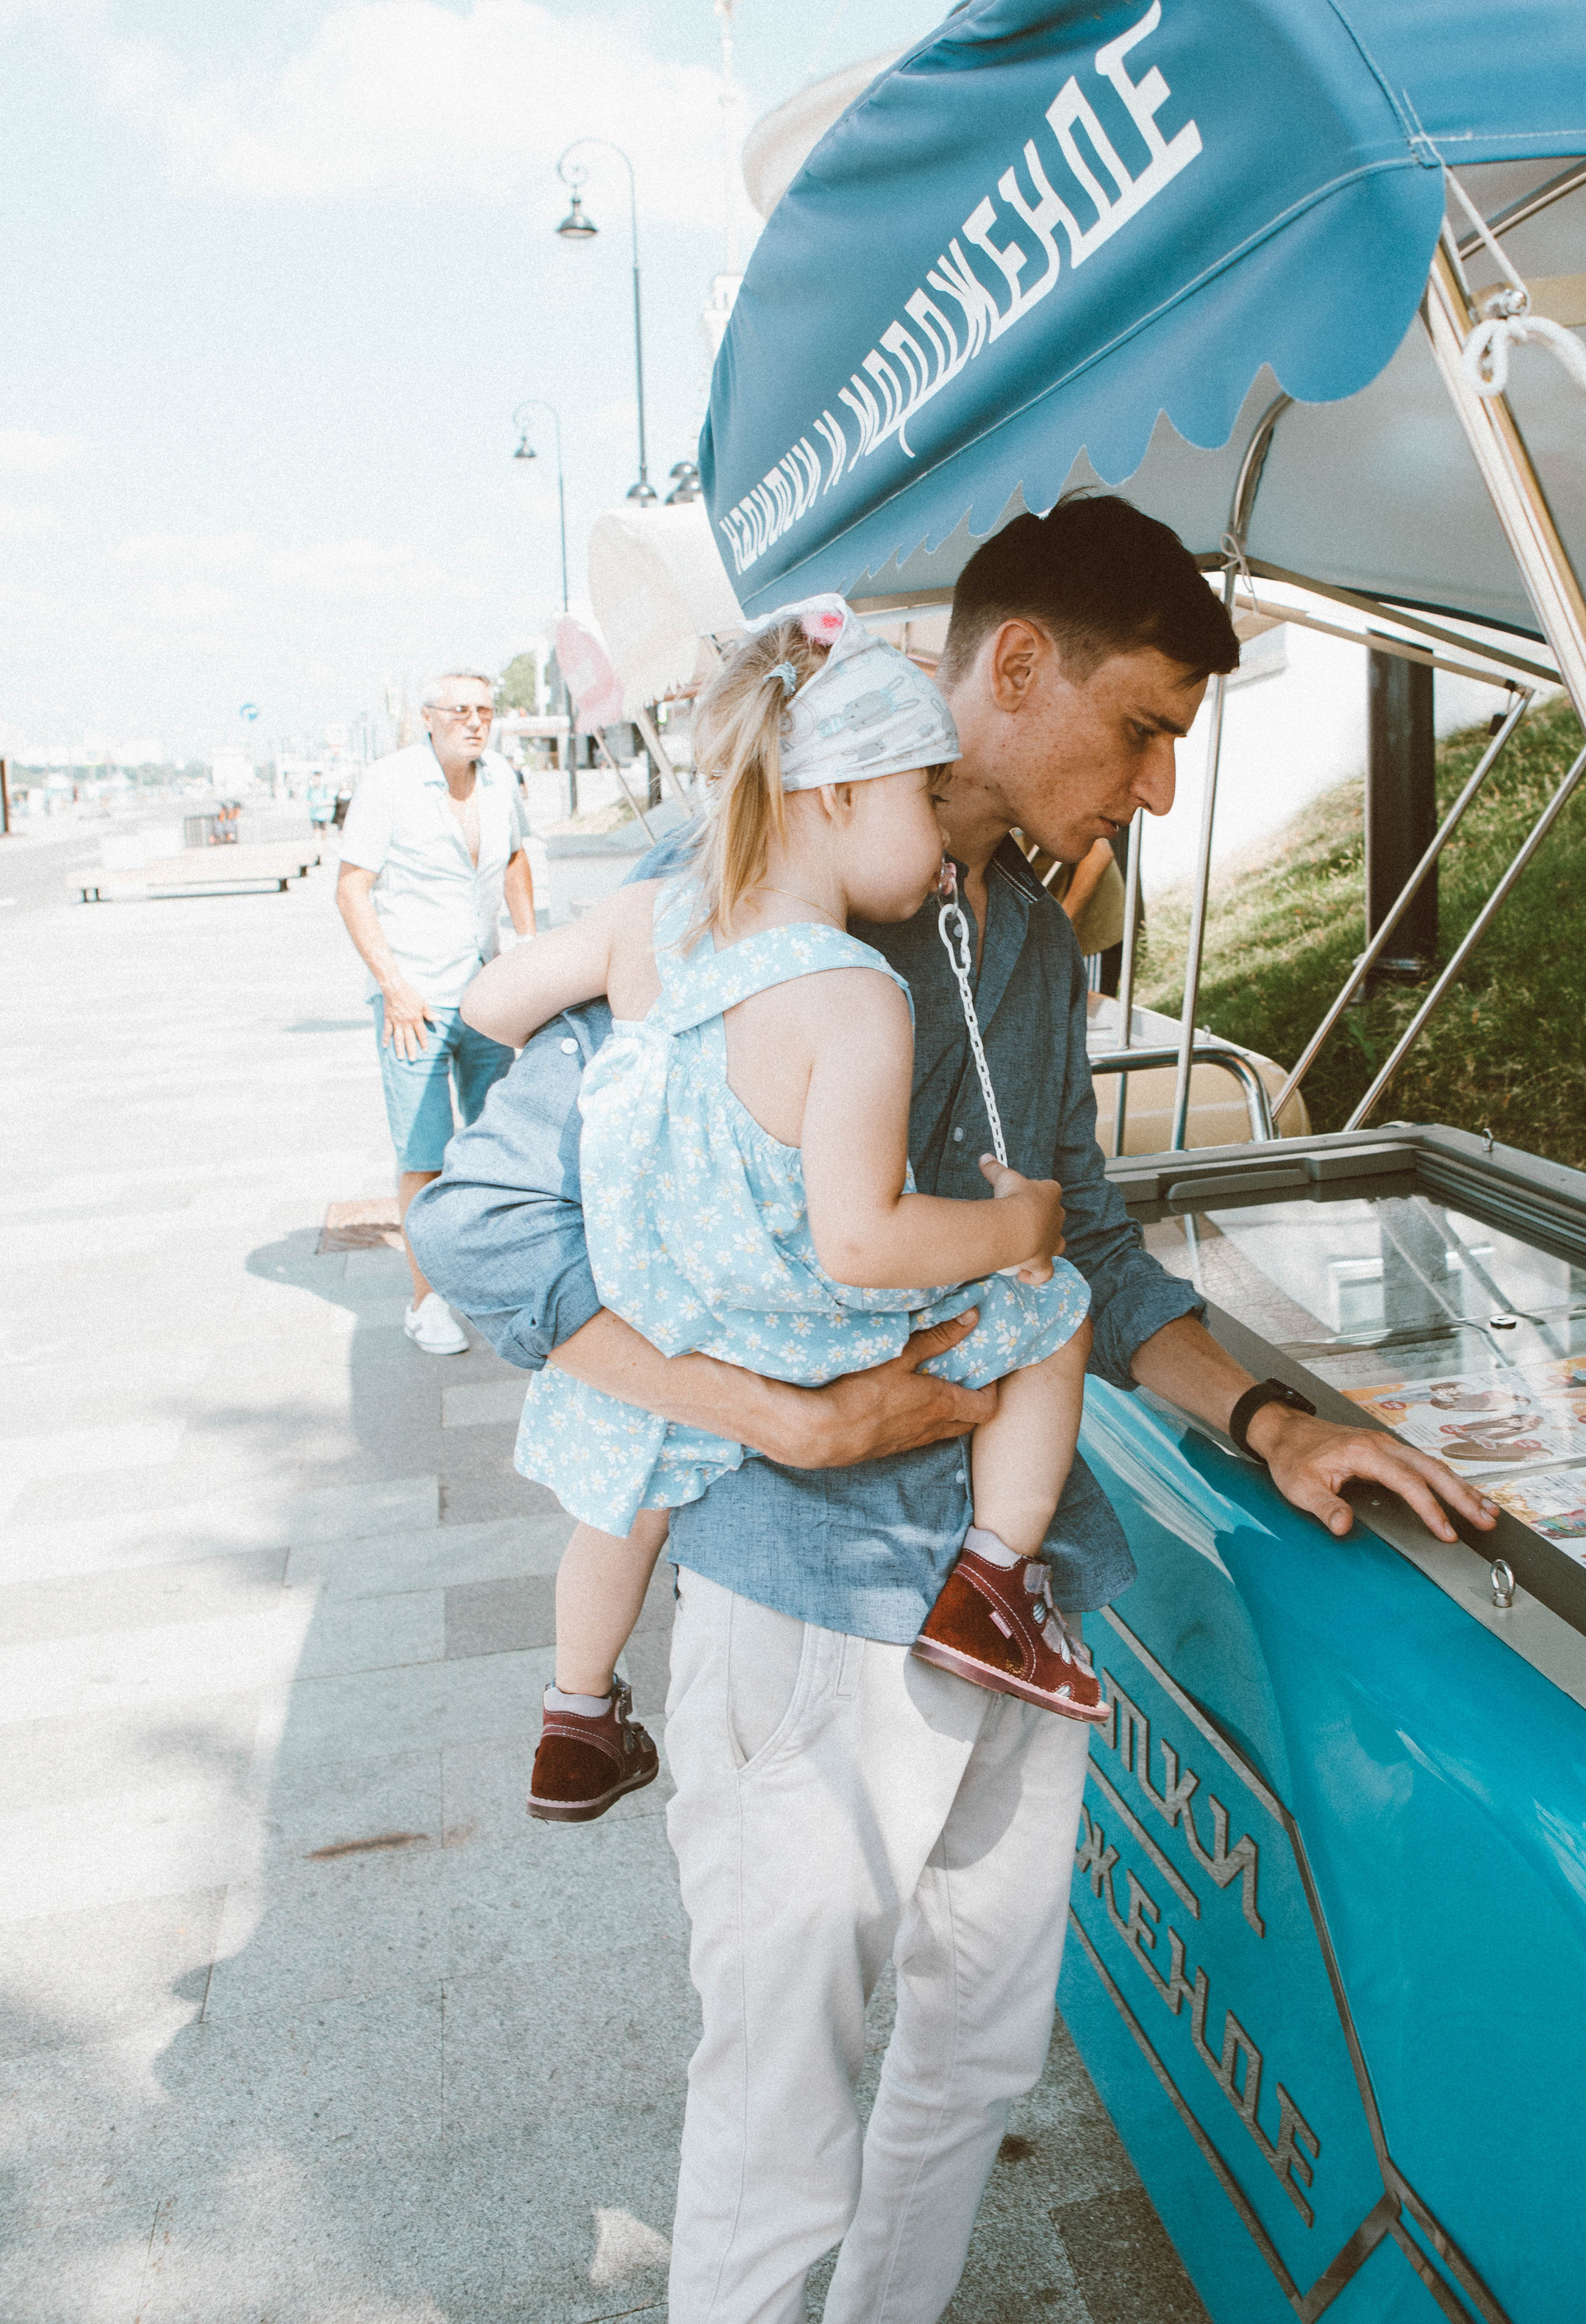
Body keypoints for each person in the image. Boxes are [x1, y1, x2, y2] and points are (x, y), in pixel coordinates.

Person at [407, 497, 1492, 2324]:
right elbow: (478, 1218)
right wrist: (770, 1409)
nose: (1155, 790)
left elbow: (1096, 1245)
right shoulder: (743, 883)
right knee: (778, 2112)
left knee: (977, 2062)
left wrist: (1273, 1420)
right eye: (1142, 726)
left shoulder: (1037, 949)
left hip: (1016, 1592)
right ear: (1008, 668)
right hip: (801, 1594)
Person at [461, 596, 1105, 1827]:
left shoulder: (653, 923)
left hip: (675, 1320)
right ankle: (995, 1583)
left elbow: (490, 1009)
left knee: (623, 1495)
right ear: (834, 797)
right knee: (1054, 1316)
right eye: (923, 796)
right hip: (808, 1331)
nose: (935, 832)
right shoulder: (854, 991)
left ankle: (577, 1716)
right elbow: (864, 1242)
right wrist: (1021, 1232)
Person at [336, 670, 535, 1355]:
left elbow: (512, 859)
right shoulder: (389, 783)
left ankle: (489, 1276)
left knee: (497, 1142)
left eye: (485, 710)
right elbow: (352, 888)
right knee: (424, 1154)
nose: (475, 722)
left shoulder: (502, 778)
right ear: (429, 717)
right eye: (460, 711)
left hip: (485, 990)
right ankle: (428, 1301)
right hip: (413, 1000)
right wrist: (393, 985)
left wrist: (527, 946)